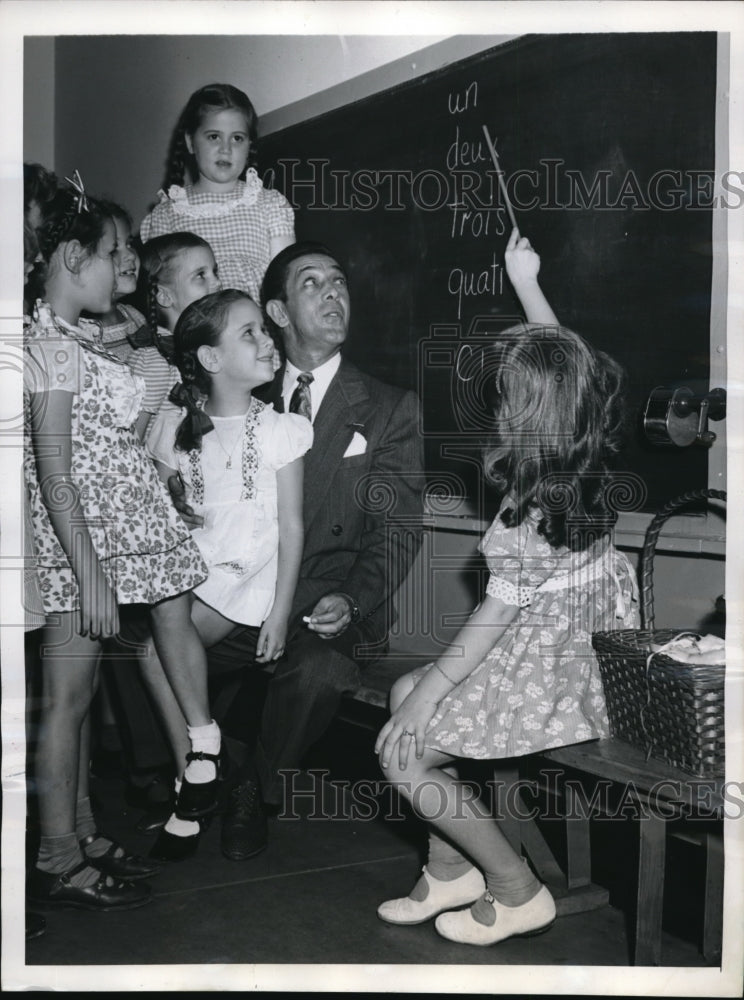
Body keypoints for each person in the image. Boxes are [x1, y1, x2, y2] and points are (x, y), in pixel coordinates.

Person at [373, 229, 639, 946]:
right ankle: (451, 870)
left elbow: (493, 619)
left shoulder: (528, 515)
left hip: (553, 673)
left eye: (504, 400)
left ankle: (516, 888)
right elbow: (563, 361)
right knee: (405, 700)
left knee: (403, 749)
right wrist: (527, 282)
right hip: (579, 654)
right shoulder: (585, 452)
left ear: (522, 416)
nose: (495, 411)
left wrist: (425, 700)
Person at [170, 240, 424, 860]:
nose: (334, 292)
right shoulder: (237, 387)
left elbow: (399, 530)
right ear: (278, 313)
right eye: (312, 283)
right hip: (234, 596)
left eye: (339, 281)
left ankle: (250, 789)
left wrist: (351, 598)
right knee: (135, 645)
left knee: (319, 672)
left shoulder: (390, 408)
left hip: (325, 605)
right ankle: (197, 767)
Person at [24, 175, 213, 910]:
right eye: (112, 254)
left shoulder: (72, 339)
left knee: (84, 691)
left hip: (94, 543)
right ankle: (58, 854)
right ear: (72, 257)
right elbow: (56, 471)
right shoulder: (47, 344)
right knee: (67, 701)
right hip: (76, 551)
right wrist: (90, 573)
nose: (121, 267)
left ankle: (82, 831)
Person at [137, 289, 311, 860]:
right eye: (250, 334)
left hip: (251, 572)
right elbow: (155, 503)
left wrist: (281, 614)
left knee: (154, 642)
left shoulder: (281, 428)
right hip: (197, 567)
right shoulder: (174, 425)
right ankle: (202, 762)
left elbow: (291, 526)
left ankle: (195, 775)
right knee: (157, 624)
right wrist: (171, 495)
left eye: (265, 330)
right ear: (211, 360)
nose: (268, 341)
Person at [139, 83, 295, 303]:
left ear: (249, 145)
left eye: (237, 138)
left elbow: (285, 281)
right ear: (190, 142)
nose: (226, 148)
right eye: (214, 137)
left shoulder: (269, 204)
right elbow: (164, 293)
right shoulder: (167, 214)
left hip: (257, 325)